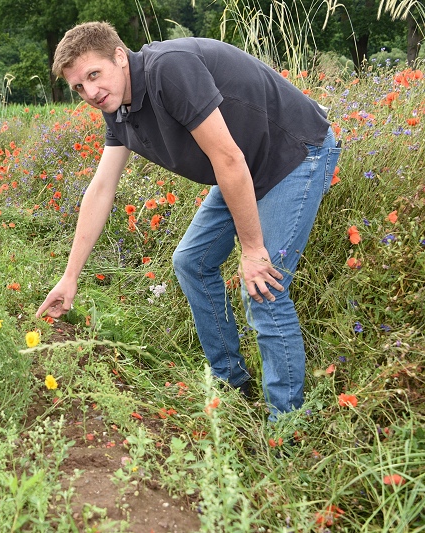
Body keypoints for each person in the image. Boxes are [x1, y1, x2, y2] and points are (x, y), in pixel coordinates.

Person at [36, 22, 341, 421]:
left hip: (295, 155)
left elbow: (228, 158)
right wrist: (70, 276)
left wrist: (252, 250)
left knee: (263, 286)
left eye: (93, 75)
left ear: (119, 57)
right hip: (242, 166)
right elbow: (100, 190)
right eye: (78, 87)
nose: (90, 93)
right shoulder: (118, 108)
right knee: (190, 262)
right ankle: (230, 383)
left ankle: (287, 425)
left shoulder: (169, 70)